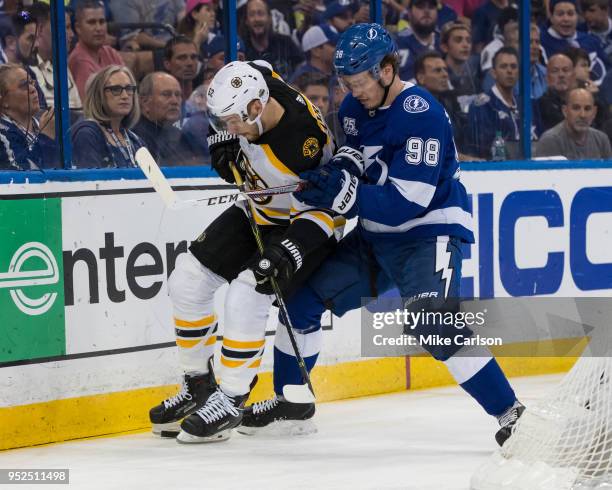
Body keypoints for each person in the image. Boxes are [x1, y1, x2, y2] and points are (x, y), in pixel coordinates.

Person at [238, 23, 523, 450]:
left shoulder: (420, 112)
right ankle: (291, 402)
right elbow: (356, 158)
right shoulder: (354, 109)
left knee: (434, 323)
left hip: (428, 234)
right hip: (376, 238)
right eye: (346, 84)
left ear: (387, 70)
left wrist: (344, 198)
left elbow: (410, 199)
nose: (353, 92)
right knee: (299, 300)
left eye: (360, 82)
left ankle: (511, 413)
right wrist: (332, 177)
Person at [147, 59, 338, 442]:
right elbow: (255, 66)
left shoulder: (302, 146)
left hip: (303, 224)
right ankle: (199, 388)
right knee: (187, 278)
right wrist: (225, 141)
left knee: (247, 292)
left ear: (256, 108)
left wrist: (288, 251)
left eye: (231, 121)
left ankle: (231, 399)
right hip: (258, 206)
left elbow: (326, 210)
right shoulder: (259, 80)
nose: (227, 128)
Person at [71, 65, 144, 168]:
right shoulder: (87, 134)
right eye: (116, 89)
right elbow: (91, 182)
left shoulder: (135, 140)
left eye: (128, 89)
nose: (125, 96)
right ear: (99, 95)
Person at [133, 72, 205, 166]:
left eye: (178, 95)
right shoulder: (136, 139)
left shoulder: (179, 133)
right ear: (144, 101)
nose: (174, 101)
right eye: (166, 94)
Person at [465, 46, 520, 159]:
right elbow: (481, 150)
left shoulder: (525, 104)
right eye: (504, 66)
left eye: (513, 67)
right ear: (493, 73)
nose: (509, 71)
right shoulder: (481, 106)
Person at [0, 63, 58, 170]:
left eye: (32, 83)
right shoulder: (2, 137)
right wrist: (46, 138)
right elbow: (24, 176)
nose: (33, 89)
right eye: (24, 85)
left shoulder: (46, 125)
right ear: (3, 101)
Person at [29, 3, 82, 117]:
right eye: (65, 27)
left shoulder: (62, 62)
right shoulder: (28, 69)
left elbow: (79, 108)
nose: (72, 34)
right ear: (40, 29)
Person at [540, 0, 609, 86]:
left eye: (570, 14)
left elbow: (608, 71)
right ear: (551, 17)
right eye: (560, 14)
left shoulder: (591, 40)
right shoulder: (540, 42)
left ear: (577, 16)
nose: (566, 19)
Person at [68, 0, 124, 101]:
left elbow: (128, 89)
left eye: (102, 22)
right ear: (78, 28)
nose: (98, 28)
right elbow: (90, 105)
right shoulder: (79, 60)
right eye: (91, 22)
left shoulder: (111, 53)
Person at [535, 87, 612, 159]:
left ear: (594, 112)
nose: (582, 115)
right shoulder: (550, 141)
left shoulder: (602, 140)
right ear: (565, 111)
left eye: (587, 109)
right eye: (576, 108)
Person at [240, 0, 304, 81]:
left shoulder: (285, 42)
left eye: (260, 13)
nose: (256, 19)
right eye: (252, 15)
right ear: (246, 21)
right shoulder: (242, 49)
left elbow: (301, 67)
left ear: (270, 18)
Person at [395, 0, 440, 81]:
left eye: (431, 7)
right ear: (409, 13)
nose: (427, 11)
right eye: (420, 7)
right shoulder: (397, 43)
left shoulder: (445, 42)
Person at [537, 53, 575, 132]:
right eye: (555, 71)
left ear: (573, 76)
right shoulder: (539, 107)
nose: (561, 75)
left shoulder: (584, 103)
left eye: (565, 70)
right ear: (547, 78)